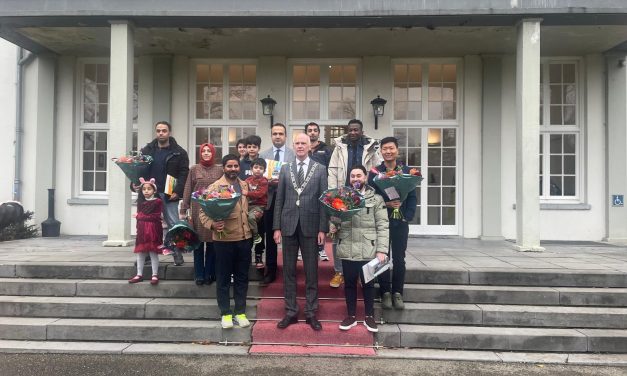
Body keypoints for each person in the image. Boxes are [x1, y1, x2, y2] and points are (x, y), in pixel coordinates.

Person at [273, 133, 328, 331]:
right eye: (297, 143)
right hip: (288, 224)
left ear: (310, 146)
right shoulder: (285, 169)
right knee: (288, 271)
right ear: (293, 146)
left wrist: (323, 228)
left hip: (311, 225)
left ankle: (311, 312)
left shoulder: (320, 169)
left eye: (303, 143)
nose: (300, 146)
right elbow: (279, 199)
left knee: (311, 271)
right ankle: (291, 311)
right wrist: (276, 227)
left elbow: (324, 200)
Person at [332, 166, 388, 333]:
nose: (356, 179)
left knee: (368, 284)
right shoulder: (342, 198)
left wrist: (382, 250)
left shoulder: (376, 199)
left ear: (365, 177)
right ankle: (351, 316)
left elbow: (383, 225)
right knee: (349, 283)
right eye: (353, 176)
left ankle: (369, 316)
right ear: (349, 179)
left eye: (359, 175)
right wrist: (333, 225)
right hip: (347, 246)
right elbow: (334, 219)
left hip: (368, 248)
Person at [199, 154, 253, 329]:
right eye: (229, 166)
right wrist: (213, 224)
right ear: (223, 168)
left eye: (236, 166)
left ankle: (240, 312)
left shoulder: (244, 184)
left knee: (242, 277)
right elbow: (202, 213)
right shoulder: (214, 187)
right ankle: (225, 313)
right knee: (222, 278)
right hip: (224, 240)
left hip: (244, 238)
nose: (233, 169)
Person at [327, 119, 382, 288]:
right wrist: (333, 195)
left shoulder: (372, 147)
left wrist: (373, 192)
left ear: (361, 130)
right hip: (342, 195)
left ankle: (361, 272)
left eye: (356, 130)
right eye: (350, 130)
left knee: (363, 232)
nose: (353, 132)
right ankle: (339, 271)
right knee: (338, 233)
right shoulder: (339, 146)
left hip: (364, 194)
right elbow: (333, 171)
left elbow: (377, 170)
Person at [367, 136, 417, 310]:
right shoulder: (374, 173)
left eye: (391, 148)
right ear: (381, 151)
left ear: (397, 150)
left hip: (400, 222)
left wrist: (406, 216)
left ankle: (398, 293)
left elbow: (412, 197)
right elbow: (370, 197)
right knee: (381, 257)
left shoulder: (407, 172)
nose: (388, 151)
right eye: (385, 149)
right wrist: (385, 204)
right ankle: (385, 292)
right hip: (381, 221)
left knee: (399, 259)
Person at [140, 121, 190, 266]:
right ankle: (149, 253)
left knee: (174, 223)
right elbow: (140, 170)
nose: (161, 133)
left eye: (164, 130)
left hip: (169, 193)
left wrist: (178, 191)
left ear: (169, 132)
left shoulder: (179, 152)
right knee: (149, 224)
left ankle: (177, 253)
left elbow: (183, 173)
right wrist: (135, 183)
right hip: (150, 193)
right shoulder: (147, 151)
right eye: (158, 130)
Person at [179, 143, 223, 285]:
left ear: (213, 153)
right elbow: (187, 189)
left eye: (208, 151)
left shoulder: (220, 170)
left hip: (213, 209)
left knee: (212, 244)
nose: (205, 153)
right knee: (197, 244)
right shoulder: (194, 169)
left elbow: (224, 189)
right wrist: (183, 209)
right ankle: (199, 274)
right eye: (203, 151)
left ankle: (209, 273)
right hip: (197, 210)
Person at [258, 123, 295, 285]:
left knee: (289, 236)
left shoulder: (293, 155)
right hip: (270, 201)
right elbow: (257, 178)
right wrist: (266, 181)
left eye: (281, 134)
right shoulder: (263, 155)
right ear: (271, 136)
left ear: (286, 136)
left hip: (289, 201)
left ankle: (289, 270)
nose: (278, 136)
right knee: (271, 237)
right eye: (275, 134)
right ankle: (271, 269)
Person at [305, 121, 333, 261]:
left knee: (321, 219)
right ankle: (301, 249)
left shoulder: (326, 150)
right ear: (306, 133)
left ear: (318, 133)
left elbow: (331, 169)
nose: (312, 132)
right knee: (303, 218)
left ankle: (321, 249)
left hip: (321, 189)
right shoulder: (302, 148)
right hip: (304, 190)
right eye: (309, 130)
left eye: (315, 130)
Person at [128, 178, 163, 286]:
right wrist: (139, 226)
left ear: (154, 190)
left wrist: (140, 216)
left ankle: (155, 274)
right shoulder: (141, 202)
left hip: (153, 230)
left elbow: (156, 216)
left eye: (149, 189)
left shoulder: (158, 201)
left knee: (153, 252)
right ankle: (139, 274)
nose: (146, 191)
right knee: (140, 252)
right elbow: (139, 217)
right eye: (144, 189)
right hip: (142, 230)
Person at [245, 157, 268, 269]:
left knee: (253, 221)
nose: (258, 170)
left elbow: (260, 194)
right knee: (246, 233)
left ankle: (258, 255)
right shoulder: (247, 180)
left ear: (264, 170)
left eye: (261, 168)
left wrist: (247, 192)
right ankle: (246, 258)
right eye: (256, 167)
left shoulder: (264, 181)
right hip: (248, 207)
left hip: (259, 207)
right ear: (251, 168)